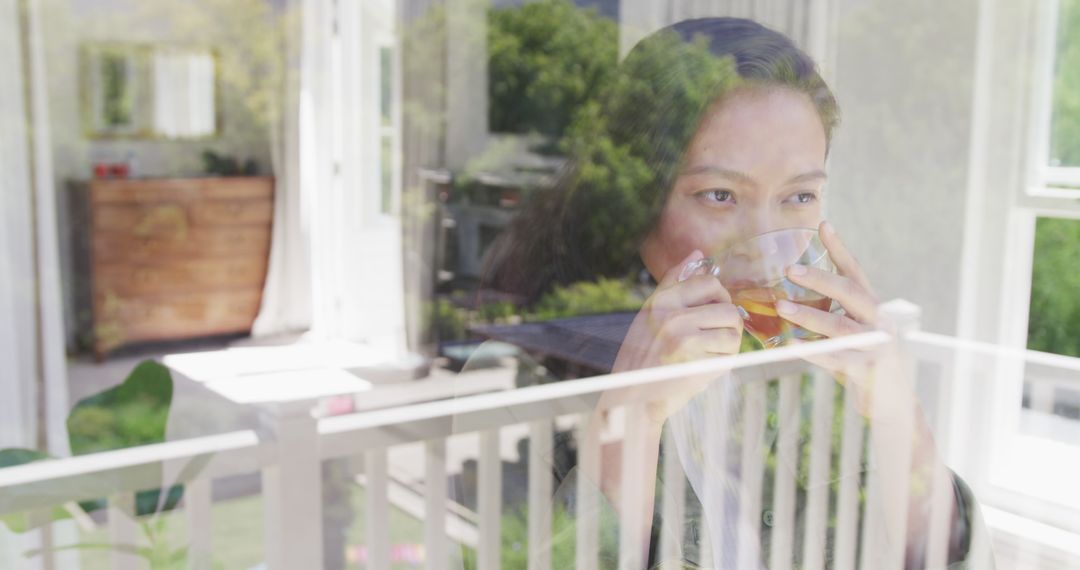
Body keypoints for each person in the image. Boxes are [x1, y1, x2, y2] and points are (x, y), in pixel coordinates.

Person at [476, 17, 990, 569]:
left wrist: (897, 416)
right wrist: (632, 416)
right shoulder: (515, 386)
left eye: (799, 197)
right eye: (720, 194)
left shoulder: (820, 368)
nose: (762, 246)